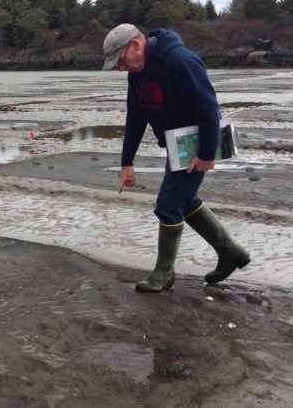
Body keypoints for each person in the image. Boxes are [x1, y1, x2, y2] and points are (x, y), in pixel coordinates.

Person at [102, 24, 250, 293]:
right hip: (177, 147)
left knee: (168, 204)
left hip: (197, 145)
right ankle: (230, 253)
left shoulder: (181, 61)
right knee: (185, 200)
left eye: (121, 61)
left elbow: (208, 107)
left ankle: (164, 272)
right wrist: (127, 162)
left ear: (136, 45)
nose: (122, 69)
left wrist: (206, 153)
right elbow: (136, 118)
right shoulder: (137, 75)